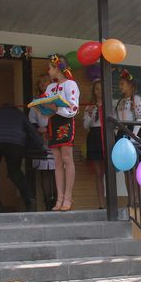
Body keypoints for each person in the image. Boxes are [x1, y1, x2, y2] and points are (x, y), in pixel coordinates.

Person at [0, 103, 44, 213]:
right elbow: (33, 133)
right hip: (15, 143)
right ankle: (30, 199)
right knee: (15, 172)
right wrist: (37, 146)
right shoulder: (19, 114)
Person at [42, 53, 79, 212]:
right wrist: (42, 106)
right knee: (57, 161)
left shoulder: (71, 84)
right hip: (53, 122)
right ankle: (59, 198)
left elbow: (74, 108)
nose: (48, 71)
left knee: (66, 158)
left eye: (50, 68)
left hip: (65, 121)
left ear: (57, 68)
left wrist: (55, 108)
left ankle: (68, 197)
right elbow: (46, 105)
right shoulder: (50, 87)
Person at [115, 69, 141, 202]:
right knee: (126, 168)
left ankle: (137, 199)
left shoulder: (136, 99)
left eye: (122, 84)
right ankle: (130, 199)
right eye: (119, 84)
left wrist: (133, 137)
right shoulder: (120, 101)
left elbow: (140, 117)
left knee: (135, 169)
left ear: (130, 85)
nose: (120, 86)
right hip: (122, 133)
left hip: (134, 132)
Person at [28, 73, 57, 211]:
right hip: (42, 141)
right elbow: (31, 121)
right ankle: (48, 204)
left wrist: (51, 129)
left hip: (56, 138)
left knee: (57, 172)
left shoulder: (57, 99)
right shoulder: (35, 103)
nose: (42, 84)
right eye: (40, 82)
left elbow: (63, 116)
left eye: (45, 81)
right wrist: (39, 130)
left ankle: (58, 201)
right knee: (44, 172)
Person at [83, 78, 105, 209]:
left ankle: (111, 202)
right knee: (98, 173)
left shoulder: (110, 105)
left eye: (101, 88)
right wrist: (91, 113)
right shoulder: (89, 106)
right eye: (97, 89)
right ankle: (101, 204)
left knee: (109, 172)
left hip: (106, 136)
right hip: (94, 137)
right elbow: (86, 126)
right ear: (94, 91)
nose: (100, 91)